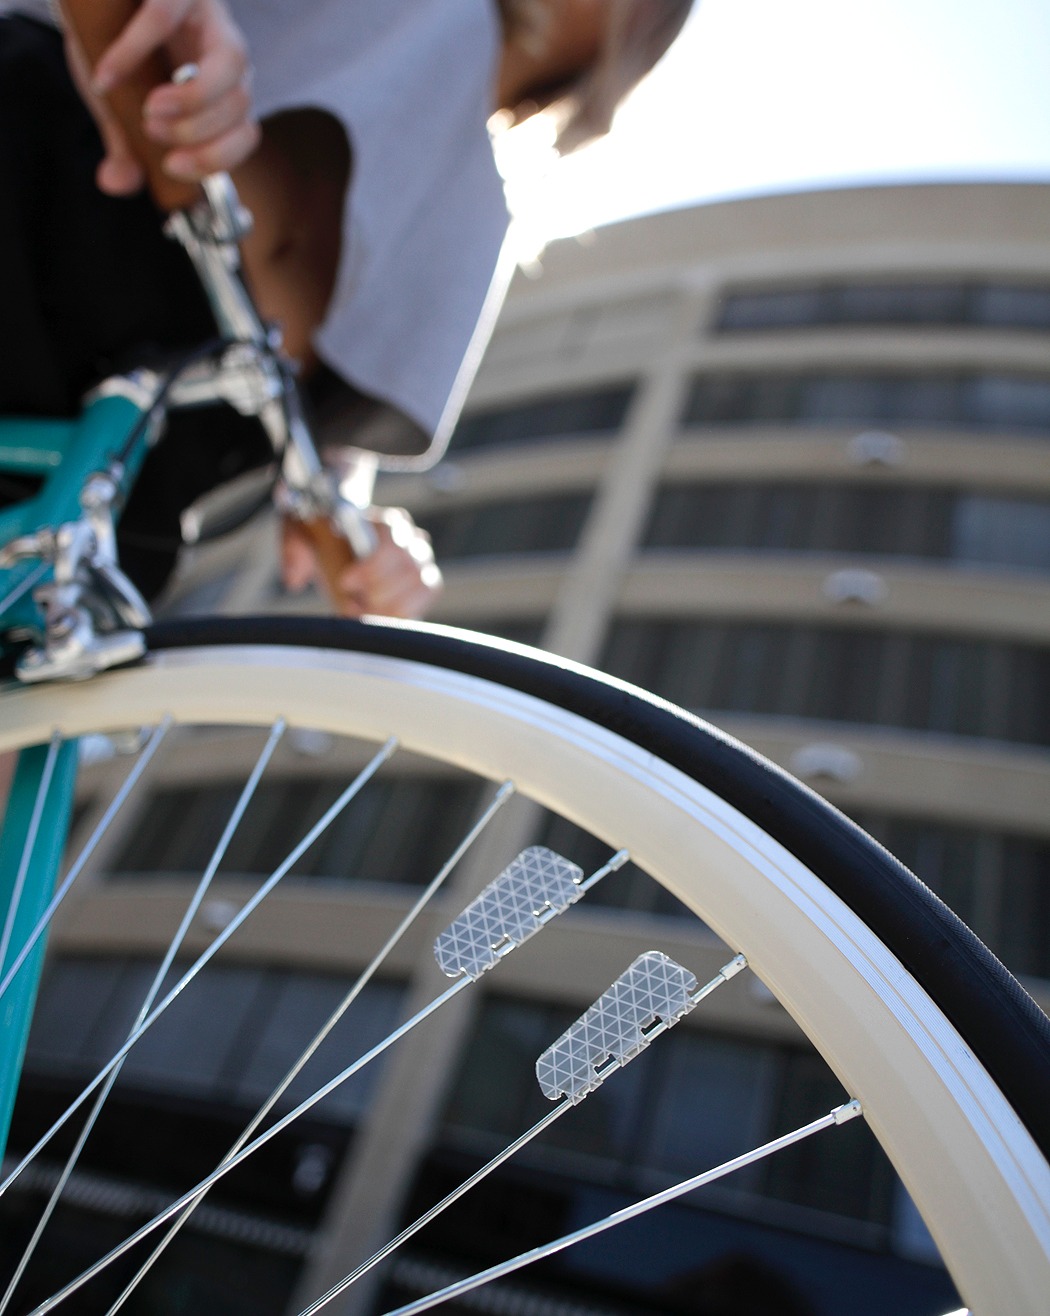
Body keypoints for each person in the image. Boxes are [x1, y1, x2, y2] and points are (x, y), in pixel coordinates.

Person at [0, 0, 693, 616]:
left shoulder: (478, 206)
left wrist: (350, 523)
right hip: (69, 218)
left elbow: (334, 413)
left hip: (155, 443)